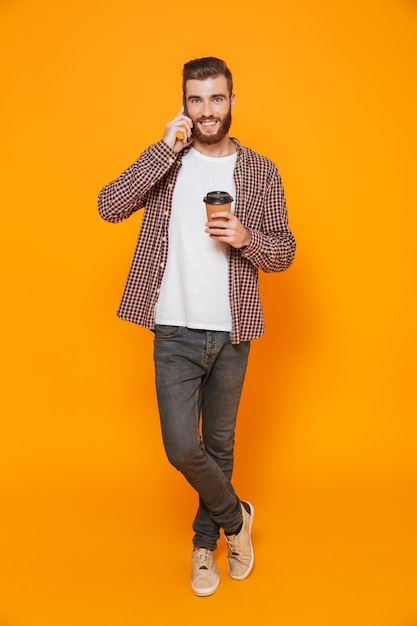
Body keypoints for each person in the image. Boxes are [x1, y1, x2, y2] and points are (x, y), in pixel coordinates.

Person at [98, 57, 296, 596]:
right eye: (196, 99)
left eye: (216, 98)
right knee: (185, 447)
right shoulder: (170, 162)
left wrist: (245, 238)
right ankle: (238, 520)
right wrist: (162, 149)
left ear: (232, 101)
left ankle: (204, 548)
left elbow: (284, 255)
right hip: (174, 329)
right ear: (184, 104)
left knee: (221, 445)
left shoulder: (260, 171)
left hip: (233, 330)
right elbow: (109, 206)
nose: (206, 110)